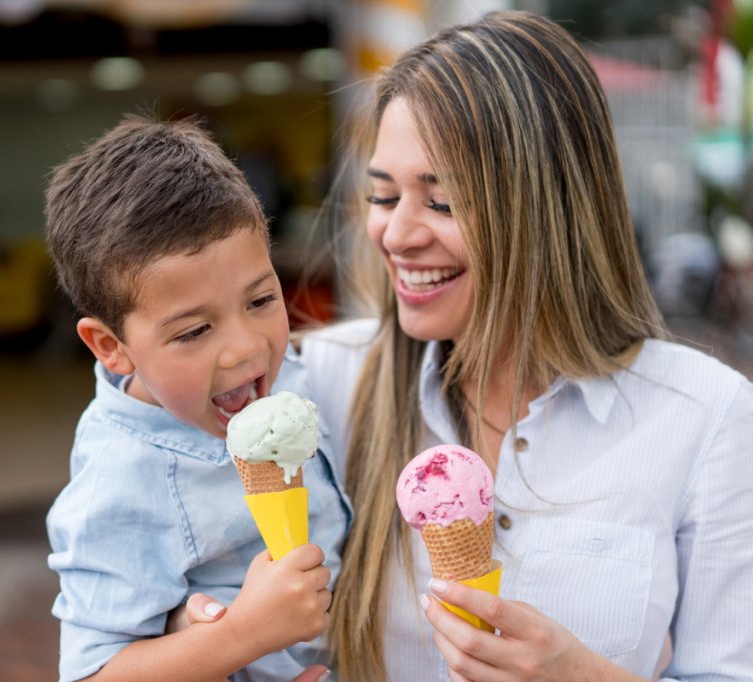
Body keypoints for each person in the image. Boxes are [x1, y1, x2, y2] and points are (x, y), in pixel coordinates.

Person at [187, 10, 753, 681]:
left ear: (551, 207)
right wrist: (199, 632)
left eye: (443, 201)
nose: (396, 235)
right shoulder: (313, 385)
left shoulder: (707, 415)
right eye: (382, 195)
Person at [43, 114, 349, 682]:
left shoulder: (291, 379)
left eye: (260, 300)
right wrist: (242, 635)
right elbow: (94, 672)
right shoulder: (120, 480)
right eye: (192, 332)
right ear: (111, 346)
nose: (245, 348)